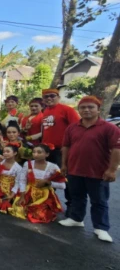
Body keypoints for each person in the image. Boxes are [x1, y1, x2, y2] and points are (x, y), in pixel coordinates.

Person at [59, 96, 120, 243]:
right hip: (75, 169)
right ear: (79, 110)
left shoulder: (109, 128)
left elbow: (116, 149)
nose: (86, 110)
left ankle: (101, 228)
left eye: (90, 107)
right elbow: (66, 146)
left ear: (98, 110)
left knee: (99, 201)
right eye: (83, 107)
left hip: (97, 172)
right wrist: (64, 165)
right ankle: (76, 218)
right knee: (76, 196)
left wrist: (112, 170)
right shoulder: (72, 127)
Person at [11, 144, 65, 223]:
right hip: (28, 192)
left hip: (44, 195)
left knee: (39, 215)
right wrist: (22, 196)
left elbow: (62, 185)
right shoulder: (28, 164)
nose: (35, 155)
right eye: (34, 152)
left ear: (47, 154)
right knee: (18, 209)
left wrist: (48, 182)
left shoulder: (53, 167)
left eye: (39, 152)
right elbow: (22, 180)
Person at [41, 88, 80, 166]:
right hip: (47, 148)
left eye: (52, 96)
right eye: (46, 97)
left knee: (60, 174)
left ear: (58, 97)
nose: (49, 98)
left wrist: (69, 146)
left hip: (61, 150)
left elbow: (77, 128)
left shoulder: (68, 110)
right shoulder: (45, 111)